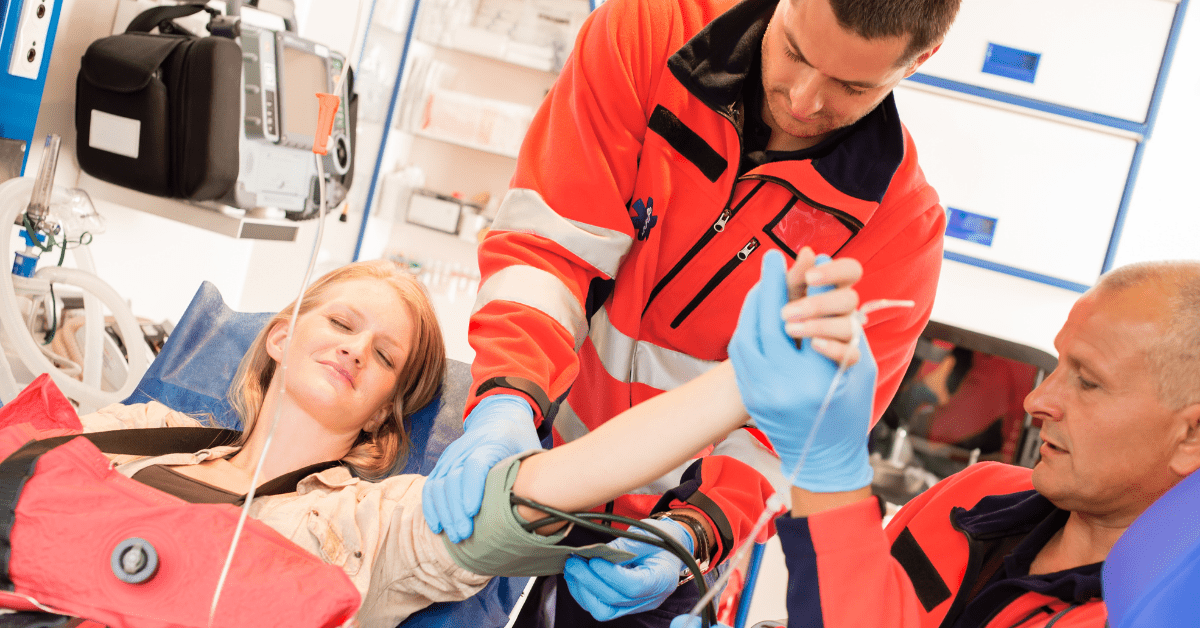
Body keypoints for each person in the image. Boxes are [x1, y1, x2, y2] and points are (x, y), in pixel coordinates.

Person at [424, 0, 963, 623]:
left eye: (850, 86)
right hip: (530, 446)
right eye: (793, 51)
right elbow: (549, 249)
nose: (803, 100)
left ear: (921, 60)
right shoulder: (648, 35)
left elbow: (788, 439)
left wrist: (692, 538)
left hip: (664, 530)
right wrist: (506, 400)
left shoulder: (899, 233)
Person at [71, 255, 860, 627]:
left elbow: (542, 490)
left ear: (387, 413)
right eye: (341, 323)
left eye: (384, 357)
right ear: (280, 336)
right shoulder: (140, 436)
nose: (354, 348)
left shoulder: (373, 523)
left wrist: (737, 387)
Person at [671, 256, 1200, 628]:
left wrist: (829, 469)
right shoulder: (976, 493)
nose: (1036, 403)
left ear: (1191, 436)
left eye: (1088, 381)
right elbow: (846, 600)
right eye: (1057, 364)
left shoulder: (1150, 611)